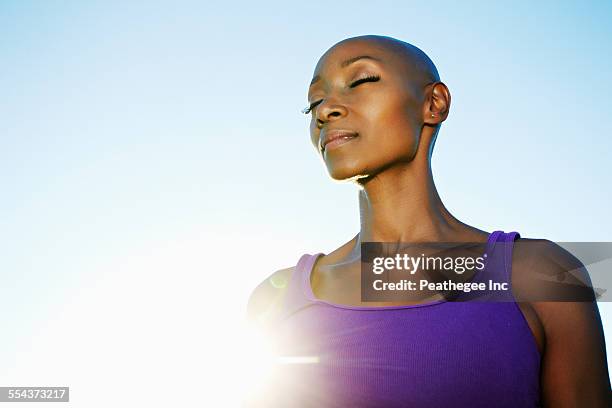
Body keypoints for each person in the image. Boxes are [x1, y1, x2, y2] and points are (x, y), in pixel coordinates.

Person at [246, 35, 611, 407]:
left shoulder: (545, 275)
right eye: (314, 103)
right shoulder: (274, 300)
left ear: (433, 103)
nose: (326, 111)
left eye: (361, 81)